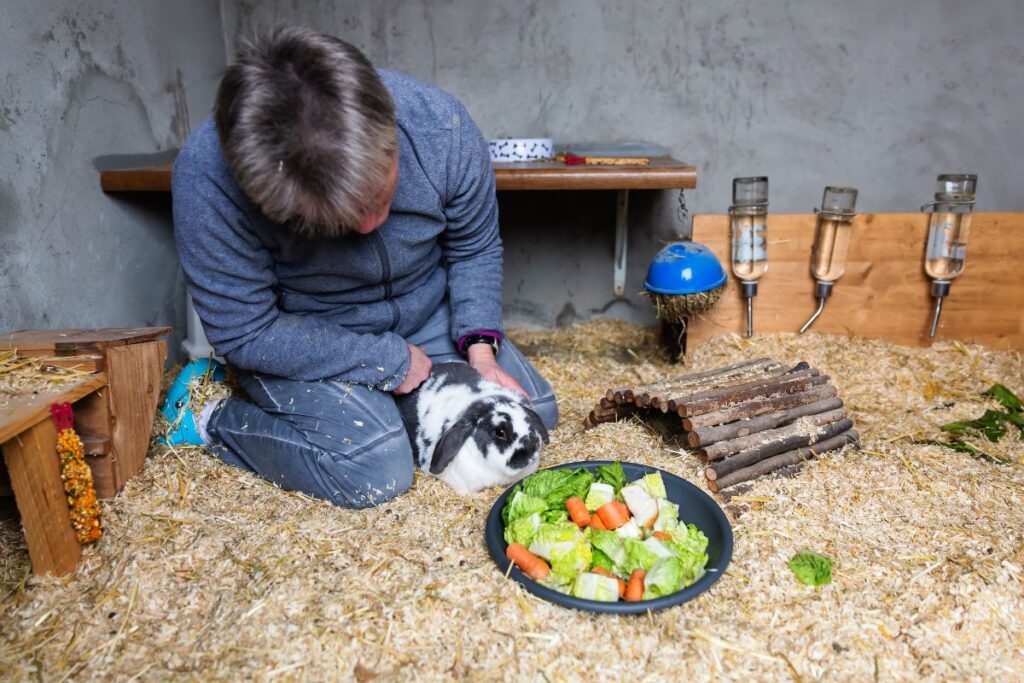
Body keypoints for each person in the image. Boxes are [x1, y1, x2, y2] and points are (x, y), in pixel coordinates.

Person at [161, 26, 558, 508]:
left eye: (379, 195)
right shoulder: (207, 179)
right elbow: (246, 332)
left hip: (426, 314)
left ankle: (393, 415)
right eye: (334, 221)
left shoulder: (440, 126)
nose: (371, 225)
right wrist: (383, 363)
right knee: (375, 469)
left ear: (391, 132)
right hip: (308, 334)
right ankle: (211, 415)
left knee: (536, 413)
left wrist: (480, 350)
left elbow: (473, 246)